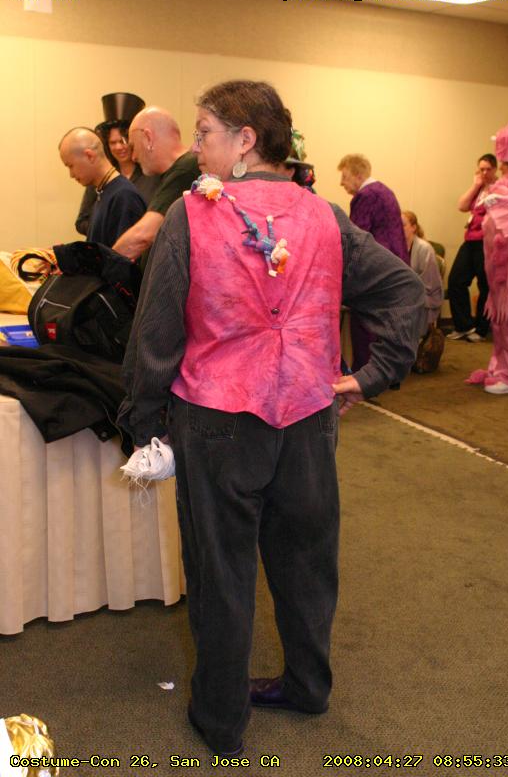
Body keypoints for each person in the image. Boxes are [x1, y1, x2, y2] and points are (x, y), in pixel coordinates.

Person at [118, 80, 425, 756]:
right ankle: (308, 687)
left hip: (216, 423)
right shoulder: (324, 216)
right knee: (307, 562)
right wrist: (373, 374)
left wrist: (142, 421)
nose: (197, 146)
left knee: (221, 571)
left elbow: (156, 333)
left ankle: (221, 720)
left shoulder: (190, 217)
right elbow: (406, 291)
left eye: (204, 132)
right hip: (309, 420)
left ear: (245, 140)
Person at [466, 108, 508, 394]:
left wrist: (504, 203)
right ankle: (500, 367)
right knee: (501, 323)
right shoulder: (502, 187)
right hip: (501, 275)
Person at [337, 153, 408, 370]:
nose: (341, 183)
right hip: (394, 266)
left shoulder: (366, 196)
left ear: (358, 175)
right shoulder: (385, 192)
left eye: (345, 176)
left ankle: (364, 373)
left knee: (365, 327)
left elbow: (356, 238)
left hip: (374, 271)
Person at [112, 107, 199, 261]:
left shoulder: (185, 170)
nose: (133, 157)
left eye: (133, 147)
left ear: (148, 138)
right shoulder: (178, 171)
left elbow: (143, 236)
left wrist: (104, 265)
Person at [75, 93, 161, 236]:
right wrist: (107, 227)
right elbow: (81, 222)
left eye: (123, 141)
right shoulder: (100, 177)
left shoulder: (152, 175)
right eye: (112, 143)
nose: (118, 147)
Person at [59, 127, 146, 247]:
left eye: (71, 166)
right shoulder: (103, 191)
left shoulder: (124, 196)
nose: (71, 175)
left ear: (89, 156)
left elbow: (123, 256)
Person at [446, 153, 498, 342]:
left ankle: (482, 329)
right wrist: (476, 185)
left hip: (488, 242)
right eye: (481, 169)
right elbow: (462, 206)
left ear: (495, 169)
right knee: (455, 281)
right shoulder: (479, 188)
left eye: (488, 169)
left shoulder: (499, 188)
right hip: (470, 241)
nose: (484, 173)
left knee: (485, 286)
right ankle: (464, 326)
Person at [402, 210, 444, 329]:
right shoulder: (398, 246)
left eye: (403, 225)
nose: (399, 228)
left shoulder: (424, 249)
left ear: (413, 227)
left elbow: (429, 284)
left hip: (426, 298)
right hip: (407, 294)